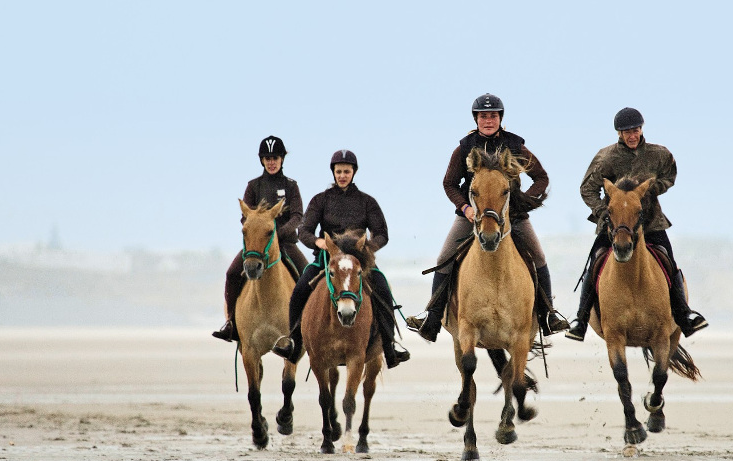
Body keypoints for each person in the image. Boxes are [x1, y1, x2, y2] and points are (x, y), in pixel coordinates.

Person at [404, 93, 571, 342]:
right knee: (444, 258)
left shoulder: (516, 146)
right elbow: (449, 183)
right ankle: (432, 316)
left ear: (500, 118)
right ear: (476, 119)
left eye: (493, 115)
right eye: (483, 116)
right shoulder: (463, 148)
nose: (488, 120)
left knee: (538, 256)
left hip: (511, 215)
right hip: (473, 215)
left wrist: (519, 202)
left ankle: (548, 315)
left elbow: (542, 178)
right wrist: (465, 208)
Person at [565, 107, 708, 341]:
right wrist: (606, 212)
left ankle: (684, 315)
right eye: (627, 132)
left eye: (636, 130)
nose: (632, 136)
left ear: (642, 129)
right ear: (619, 134)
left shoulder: (658, 154)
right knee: (595, 265)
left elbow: (669, 176)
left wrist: (652, 189)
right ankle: (580, 320)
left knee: (670, 264)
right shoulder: (606, 157)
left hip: (651, 222)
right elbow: (587, 189)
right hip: (615, 227)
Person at [271, 149, 412, 368]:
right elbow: (304, 231)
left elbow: (382, 233)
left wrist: (368, 248)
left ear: (354, 172)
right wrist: (319, 243)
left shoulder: (367, 202)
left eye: (346, 171)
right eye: (338, 171)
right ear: (333, 173)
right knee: (299, 290)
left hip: (359, 262)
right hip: (327, 260)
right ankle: (294, 342)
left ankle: (389, 346)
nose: (342, 175)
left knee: (383, 288)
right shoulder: (321, 200)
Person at [212, 135, 308, 342]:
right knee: (231, 274)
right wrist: (258, 231)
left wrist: (278, 233)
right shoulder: (253, 186)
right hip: (258, 245)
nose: (271, 162)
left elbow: (298, 216)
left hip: (286, 244)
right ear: (262, 161)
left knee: (308, 277)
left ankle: (305, 326)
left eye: (275, 158)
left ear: (282, 159)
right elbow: (245, 217)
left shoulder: (291, 186)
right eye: (267, 158)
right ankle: (231, 323)